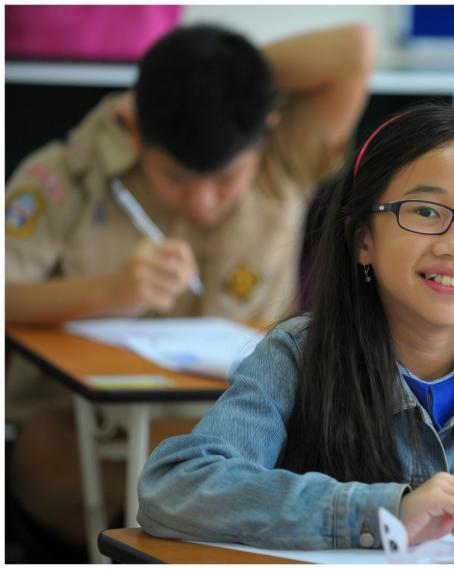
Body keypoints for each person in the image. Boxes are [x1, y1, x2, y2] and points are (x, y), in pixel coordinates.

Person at [137, 103, 454, 549]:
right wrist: (384, 514)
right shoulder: (298, 358)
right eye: (425, 212)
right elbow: (175, 486)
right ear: (363, 240)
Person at [5, 23, 374, 554]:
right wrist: (107, 294)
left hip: (246, 438)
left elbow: (353, 48)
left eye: (226, 181)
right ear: (136, 131)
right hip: (91, 441)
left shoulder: (282, 157)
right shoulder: (69, 174)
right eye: (175, 179)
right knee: (51, 458)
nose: (202, 202)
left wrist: (221, 82)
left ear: (266, 131)